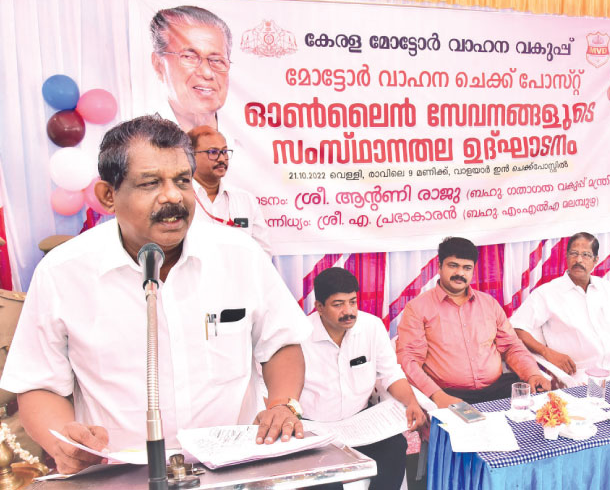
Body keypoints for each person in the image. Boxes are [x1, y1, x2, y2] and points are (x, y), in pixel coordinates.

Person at [0, 116, 311, 475]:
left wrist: (283, 404)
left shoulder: (240, 253)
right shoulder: (62, 272)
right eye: (150, 183)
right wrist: (64, 441)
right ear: (108, 196)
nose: (173, 196)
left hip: (235, 471)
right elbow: (38, 384)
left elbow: (281, 344)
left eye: (182, 180)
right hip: (122, 475)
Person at [300, 268, 427, 490]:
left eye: (353, 302)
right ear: (319, 307)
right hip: (314, 429)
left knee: (396, 447)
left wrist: (412, 403)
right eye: (338, 304)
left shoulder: (372, 326)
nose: (349, 311)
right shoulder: (299, 335)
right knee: (326, 483)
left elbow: (390, 373)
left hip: (359, 423)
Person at [396, 237, 553, 409]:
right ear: (439, 267)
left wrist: (532, 374)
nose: (460, 273)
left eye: (467, 268)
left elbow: (511, 346)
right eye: (453, 265)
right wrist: (436, 395)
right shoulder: (418, 308)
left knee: (539, 416)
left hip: (497, 389)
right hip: (449, 395)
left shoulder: (489, 303)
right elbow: (409, 360)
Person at [511, 232, 610, 384]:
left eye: (586, 255)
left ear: (595, 260)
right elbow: (517, 328)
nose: (578, 260)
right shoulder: (547, 293)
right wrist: (546, 352)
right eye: (574, 253)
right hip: (581, 377)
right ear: (566, 256)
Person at [187, 126, 275, 257]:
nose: (222, 159)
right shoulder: (179, 199)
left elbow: (263, 253)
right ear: (191, 156)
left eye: (224, 152)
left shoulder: (246, 200)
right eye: (213, 152)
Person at [150, 6, 231, 131]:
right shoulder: (136, 139)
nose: (207, 73)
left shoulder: (245, 139)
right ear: (158, 65)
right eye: (189, 57)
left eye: (216, 60)